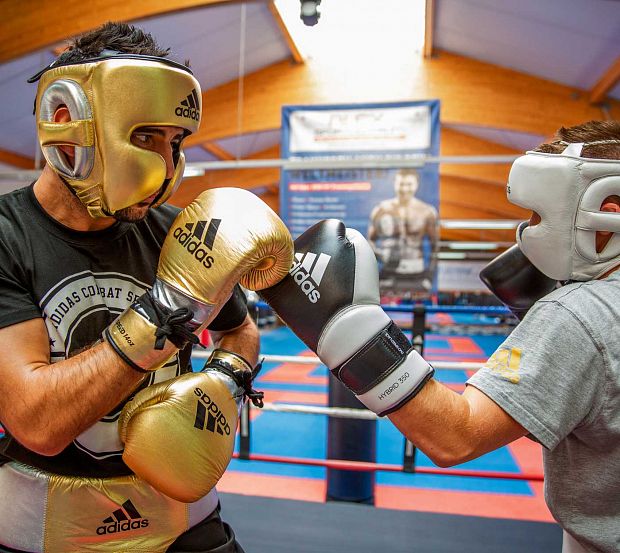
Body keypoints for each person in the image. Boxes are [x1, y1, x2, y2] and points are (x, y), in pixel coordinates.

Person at [261, 120, 620, 553]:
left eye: (538, 215)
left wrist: (347, 326)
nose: (526, 229)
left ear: (606, 213)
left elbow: (455, 436)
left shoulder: (578, 314)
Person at [0, 22, 293, 552]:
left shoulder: (180, 232)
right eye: (145, 138)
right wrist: (166, 310)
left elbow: (240, 331)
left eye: (175, 142)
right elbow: (38, 422)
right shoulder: (6, 236)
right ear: (67, 123)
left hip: (186, 524)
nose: (166, 165)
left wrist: (223, 383)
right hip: (41, 533)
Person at [367, 168, 438, 292]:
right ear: (395, 184)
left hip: (417, 273)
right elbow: (369, 242)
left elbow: (436, 247)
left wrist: (429, 277)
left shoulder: (427, 212)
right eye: (401, 184)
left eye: (409, 184)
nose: (404, 189)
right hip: (388, 271)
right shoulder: (381, 209)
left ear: (416, 185)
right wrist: (380, 255)